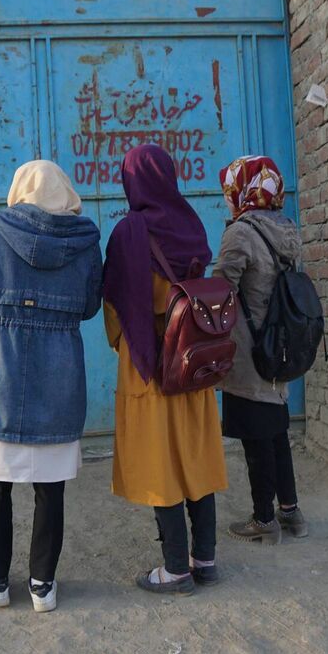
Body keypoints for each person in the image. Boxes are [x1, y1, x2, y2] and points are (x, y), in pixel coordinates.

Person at [0, 160, 102, 613]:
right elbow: (91, 305)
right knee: (49, 483)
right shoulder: (86, 241)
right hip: (60, 369)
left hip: (0, 364)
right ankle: (43, 586)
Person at [103, 144, 228, 595]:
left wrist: (124, 341)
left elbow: (115, 303)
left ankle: (176, 568)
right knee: (194, 456)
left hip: (151, 365)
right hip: (192, 362)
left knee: (162, 463)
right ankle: (206, 560)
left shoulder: (128, 232)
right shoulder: (191, 223)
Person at [214, 156, 308, 545]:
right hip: (280, 344)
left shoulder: (241, 233)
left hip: (250, 349)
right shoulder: (287, 228)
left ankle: (264, 519)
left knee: (257, 438)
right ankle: (291, 512)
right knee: (277, 432)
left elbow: (222, 288)